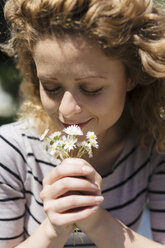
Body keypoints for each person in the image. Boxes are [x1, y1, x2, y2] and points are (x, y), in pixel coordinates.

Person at [0, 0, 165, 247]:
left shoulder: (153, 145)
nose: (67, 111)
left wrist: (96, 220)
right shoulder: (12, 150)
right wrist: (54, 230)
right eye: (51, 87)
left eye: (91, 89)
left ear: (131, 76)